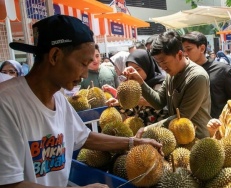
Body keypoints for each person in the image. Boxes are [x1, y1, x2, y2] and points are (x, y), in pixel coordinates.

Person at [0, 15, 162, 188]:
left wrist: (133, 142)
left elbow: (84, 137)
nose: (85, 74)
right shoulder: (6, 103)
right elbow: (9, 184)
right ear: (55, 56)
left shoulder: (59, 100)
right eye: (84, 63)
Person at [123, 31, 212, 139]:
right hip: (176, 138)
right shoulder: (171, 74)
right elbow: (159, 102)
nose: (162, 67)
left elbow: (182, 116)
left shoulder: (197, 77)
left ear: (179, 55)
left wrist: (147, 129)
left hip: (197, 139)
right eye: (158, 63)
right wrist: (140, 81)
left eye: (164, 62)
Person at [182, 31, 231, 118]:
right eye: (183, 50)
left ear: (202, 49)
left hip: (218, 126)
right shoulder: (184, 72)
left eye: (189, 49)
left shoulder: (223, 70)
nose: (185, 54)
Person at [107, 49, 168, 125]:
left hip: (160, 129)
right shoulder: (135, 87)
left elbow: (163, 106)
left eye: (137, 70)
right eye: (131, 70)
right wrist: (120, 104)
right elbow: (135, 114)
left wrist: (144, 101)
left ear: (147, 67)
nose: (134, 74)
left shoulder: (161, 84)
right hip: (142, 133)